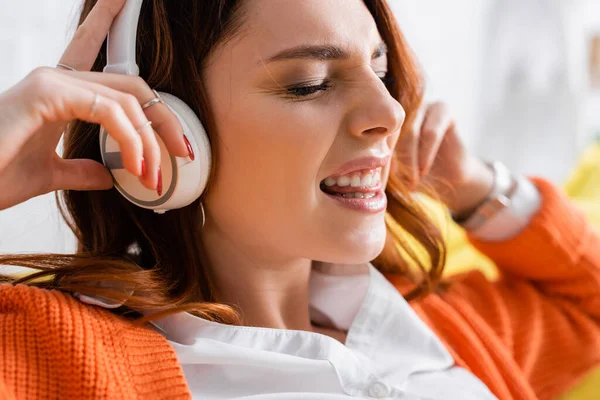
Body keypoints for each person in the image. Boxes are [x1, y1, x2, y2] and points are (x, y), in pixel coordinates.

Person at [0, 0, 599, 399]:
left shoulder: (440, 322)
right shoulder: (58, 353)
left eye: (380, 69)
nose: (390, 113)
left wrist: (482, 191)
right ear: (161, 134)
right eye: (310, 83)